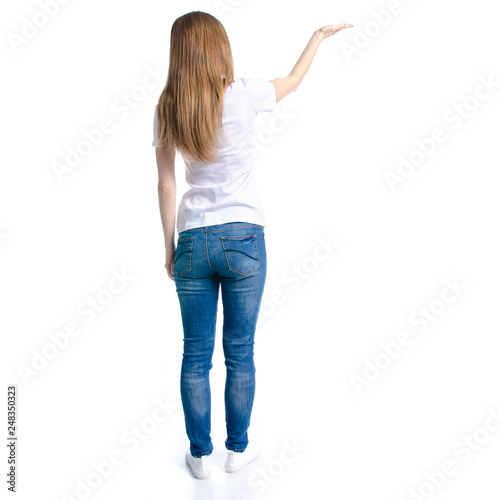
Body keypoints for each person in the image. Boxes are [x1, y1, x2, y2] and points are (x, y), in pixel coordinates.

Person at [153, 11, 352, 479]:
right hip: (244, 236)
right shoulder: (243, 93)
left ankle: (199, 456)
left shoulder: (168, 106)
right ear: (219, 47)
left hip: (194, 242)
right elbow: (294, 82)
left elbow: (166, 187)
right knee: (240, 349)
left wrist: (170, 248)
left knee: (195, 354)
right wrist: (316, 38)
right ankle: (237, 450)